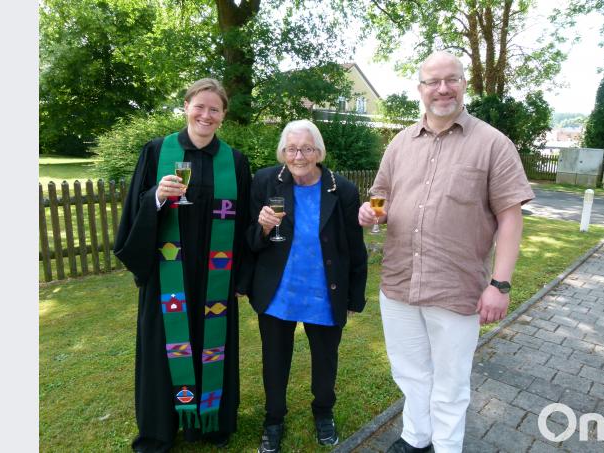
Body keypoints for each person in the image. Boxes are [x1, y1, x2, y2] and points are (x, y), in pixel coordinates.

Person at [358, 51, 535, 453]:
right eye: (432, 81)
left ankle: (446, 447)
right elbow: (380, 197)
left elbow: (510, 218)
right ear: (420, 89)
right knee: (410, 372)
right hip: (399, 284)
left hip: (457, 288)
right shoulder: (400, 144)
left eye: (451, 79)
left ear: (463, 83)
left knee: (451, 382)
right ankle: (415, 438)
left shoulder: (493, 144)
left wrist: (500, 285)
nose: (442, 88)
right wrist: (371, 211)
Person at [113, 77, 253, 453]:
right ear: (186, 106)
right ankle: (160, 429)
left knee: (212, 346)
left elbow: (243, 225)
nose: (206, 115)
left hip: (214, 278)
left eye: (215, 109)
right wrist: (156, 197)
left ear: (223, 116)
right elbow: (134, 211)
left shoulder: (235, 162)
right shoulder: (157, 151)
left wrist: (240, 277)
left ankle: (210, 422)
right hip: (167, 274)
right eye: (200, 106)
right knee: (164, 349)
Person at [246, 119, 368, 453]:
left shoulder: (340, 188)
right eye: (291, 149)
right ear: (282, 151)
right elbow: (249, 242)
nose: (299, 156)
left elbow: (354, 247)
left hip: (324, 293)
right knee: (274, 360)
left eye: (306, 148)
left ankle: (323, 413)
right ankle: (274, 420)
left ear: (319, 151)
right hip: (278, 292)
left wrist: (354, 297)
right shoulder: (265, 180)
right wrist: (263, 228)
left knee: (326, 360)